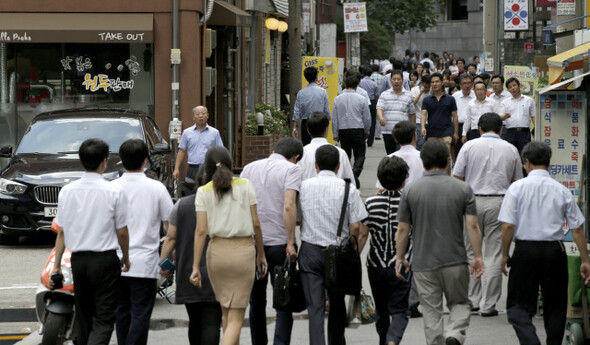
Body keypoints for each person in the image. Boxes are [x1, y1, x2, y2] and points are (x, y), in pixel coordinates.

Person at [499, 142, 590, 345]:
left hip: (525, 251)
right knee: (556, 306)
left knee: (517, 306)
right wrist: (585, 260)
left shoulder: (516, 188)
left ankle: (530, 341)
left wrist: (505, 254)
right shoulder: (561, 190)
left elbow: (507, 227)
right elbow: (577, 229)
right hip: (554, 251)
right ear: (549, 163)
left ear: (527, 162)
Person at [396, 140, 484, 345]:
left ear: (423, 162)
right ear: (447, 162)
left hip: (423, 262)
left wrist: (400, 257)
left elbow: (403, 229)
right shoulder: (463, 189)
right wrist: (478, 256)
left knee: (431, 310)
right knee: (460, 303)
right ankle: (454, 333)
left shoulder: (410, 191)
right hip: (455, 260)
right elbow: (472, 226)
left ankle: (436, 342)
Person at [49, 138, 130, 345]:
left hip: (78, 261)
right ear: (104, 162)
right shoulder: (114, 191)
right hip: (104, 260)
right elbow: (122, 231)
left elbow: (61, 233)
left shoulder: (67, 191)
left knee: (84, 316)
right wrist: (126, 258)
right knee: (104, 317)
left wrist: (56, 266)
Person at [190, 146, 268, 345]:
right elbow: (256, 223)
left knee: (226, 312)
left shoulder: (203, 191)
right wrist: (261, 254)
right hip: (243, 253)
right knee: (236, 319)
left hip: (216, 253)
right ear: (231, 164)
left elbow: (200, 231)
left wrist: (195, 266)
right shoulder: (245, 185)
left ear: (206, 169)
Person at [452, 113, 522, 318]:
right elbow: (516, 181)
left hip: (471, 201)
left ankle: (472, 300)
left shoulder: (468, 146)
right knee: (493, 253)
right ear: (501, 129)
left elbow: (457, 177)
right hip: (499, 203)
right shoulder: (511, 149)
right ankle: (488, 305)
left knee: (471, 252)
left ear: (480, 129)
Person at [298, 145, 368, 345]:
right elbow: (356, 226)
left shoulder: (304, 187)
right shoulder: (349, 188)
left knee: (315, 308)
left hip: (310, 251)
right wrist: (351, 249)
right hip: (338, 253)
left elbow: (297, 218)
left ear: (316, 165)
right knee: (337, 304)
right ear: (338, 166)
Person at [240, 137, 303, 345]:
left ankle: (259, 342)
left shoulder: (249, 168)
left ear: (275, 149)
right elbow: (288, 206)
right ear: (296, 157)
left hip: (252, 243)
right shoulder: (291, 170)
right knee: (284, 298)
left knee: (256, 300)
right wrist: (291, 242)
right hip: (279, 244)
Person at [113, 139, 174, 345]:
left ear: (121, 160)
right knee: (140, 314)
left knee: (122, 312)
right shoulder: (156, 188)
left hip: (116, 261)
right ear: (146, 160)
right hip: (146, 263)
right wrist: (167, 261)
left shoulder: (111, 188)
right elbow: (171, 229)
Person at [159, 166, 222, 345]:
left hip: (187, 271)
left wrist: (164, 264)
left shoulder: (182, 205)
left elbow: (170, 238)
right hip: (217, 269)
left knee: (195, 320)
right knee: (212, 321)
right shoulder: (223, 204)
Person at [358, 156, 411, 345]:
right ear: (404, 180)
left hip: (376, 263)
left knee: (380, 307)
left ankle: (384, 339)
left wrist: (355, 258)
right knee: (400, 309)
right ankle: (393, 339)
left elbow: (363, 235)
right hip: (402, 262)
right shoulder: (409, 203)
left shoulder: (371, 203)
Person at [332, 74, 371, 186]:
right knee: (360, 155)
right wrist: (367, 130)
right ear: (357, 85)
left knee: (346, 155)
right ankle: (354, 175)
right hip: (358, 129)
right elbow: (367, 117)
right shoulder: (362, 99)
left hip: (343, 130)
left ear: (345, 85)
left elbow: (334, 118)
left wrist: (335, 133)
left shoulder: (337, 99)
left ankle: (349, 176)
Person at [298, 112, 355, 181]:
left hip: (307, 191)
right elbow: (350, 182)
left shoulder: (302, 154)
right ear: (327, 129)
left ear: (308, 131)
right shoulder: (341, 153)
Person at [421, 73, 458, 174]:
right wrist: (423, 127)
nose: (434, 84)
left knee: (445, 157)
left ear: (442, 83)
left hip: (446, 133)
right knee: (431, 158)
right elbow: (423, 114)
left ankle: (446, 179)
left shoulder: (450, 99)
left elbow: (455, 116)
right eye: (432, 82)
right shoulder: (427, 99)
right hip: (431, 133)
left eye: (437, 81)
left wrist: (455, 132)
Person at [174, 106, 224, 181]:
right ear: (193, 117)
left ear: (207, 116)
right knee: (191, 191)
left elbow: (220, 151)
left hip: (209, 168)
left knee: (209, 191)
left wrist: (220, 168)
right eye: (197, 114)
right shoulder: (187, 132)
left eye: (203, 113)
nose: (200, 116)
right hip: (192, 169)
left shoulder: (214, 132)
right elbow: (182, 151)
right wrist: (176, 168)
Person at [375, 121, 424, 193]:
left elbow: (380, 188)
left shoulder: (389, 159)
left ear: (395, 139)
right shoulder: (424, 158)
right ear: (415, 136)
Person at [377, 70, 415, 155]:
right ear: (391, 81)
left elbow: (412, 113)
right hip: (388, 131)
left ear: (403, 80)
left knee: (401, 155)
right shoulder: (384, 94)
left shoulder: (408, 95)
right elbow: (379, 108)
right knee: (390, 154)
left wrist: (413, 129)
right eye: (394, 79)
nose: (396, 81)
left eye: (398, 79)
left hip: (402, 131)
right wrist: (381, 118)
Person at [292, 66, 331, 146]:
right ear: (316, 77)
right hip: (320, 122)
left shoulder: (301, 93)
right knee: (319, 146)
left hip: (306, 123)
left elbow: (296, 111)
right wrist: (327, 125)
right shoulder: (323, 92)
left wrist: (294, 128)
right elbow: (326, 110)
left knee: (306, 147)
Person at [501, 77, 535, 154]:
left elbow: (533, 116)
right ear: (508, 90)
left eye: (514, 85)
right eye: (510, 87)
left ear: (519, 85)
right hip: (510, 132)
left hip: (524, 132)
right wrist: (505, 116)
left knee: (525, 155)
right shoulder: (505, 102)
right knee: (510, 154)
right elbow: (500, 116)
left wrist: (537, 128)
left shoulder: (529, 100)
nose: (513, 88)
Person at [452, 73, 475, 158]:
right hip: (459, 126)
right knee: (459, 151)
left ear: (472, 84)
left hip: (473, 127)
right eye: (464, 83)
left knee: (472, 151)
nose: (467, 85)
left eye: (469, 83)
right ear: (460, 85)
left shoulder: (476, 95)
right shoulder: (455, 96)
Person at [359, 67, 379, 147]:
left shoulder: (360, 82)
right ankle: (370, 141)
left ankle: (362, 138)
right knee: (373, 121)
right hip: (372, 102)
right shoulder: (373, 83)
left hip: (361, 102)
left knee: (361, 120)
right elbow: (377, 94)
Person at [410, 75, 431, 150]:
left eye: (428, 87)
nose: (427, 89)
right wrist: (420, 93)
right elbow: (412, 104)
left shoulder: (432, 91)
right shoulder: (414, 90)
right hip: (418, 120)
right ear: (421, 83)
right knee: (420, 143)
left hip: (430, 121)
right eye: (425, 87)